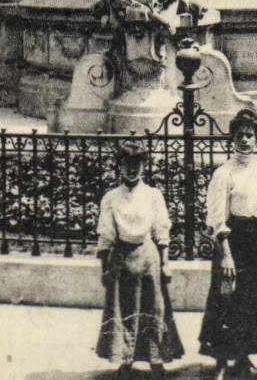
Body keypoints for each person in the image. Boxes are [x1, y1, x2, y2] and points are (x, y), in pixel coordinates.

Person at [94, 136, 183, 380]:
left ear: (145, 166)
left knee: (154, 308)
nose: (132, 168)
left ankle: (156, 358)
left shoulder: (153, 195)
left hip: (148, 257)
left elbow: (161, 231)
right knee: (124, 310)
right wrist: (105, 267)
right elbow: (106, 235)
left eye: (137, 163)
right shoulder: (111, 198)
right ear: (119, 165)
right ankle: (126, 360)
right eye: (126, 163)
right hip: (121, 258)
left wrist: (165, 263)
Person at [199, 108, 257, 380]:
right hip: (233, 242)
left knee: (251, 302)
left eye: (250, 135)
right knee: (226, 300)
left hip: (255, 242)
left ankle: (243, 359)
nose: (245, 140)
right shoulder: (223, 174)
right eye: (239, 135)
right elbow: (217, 219)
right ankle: (221, 363)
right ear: (231, 139)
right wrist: (226, 256)